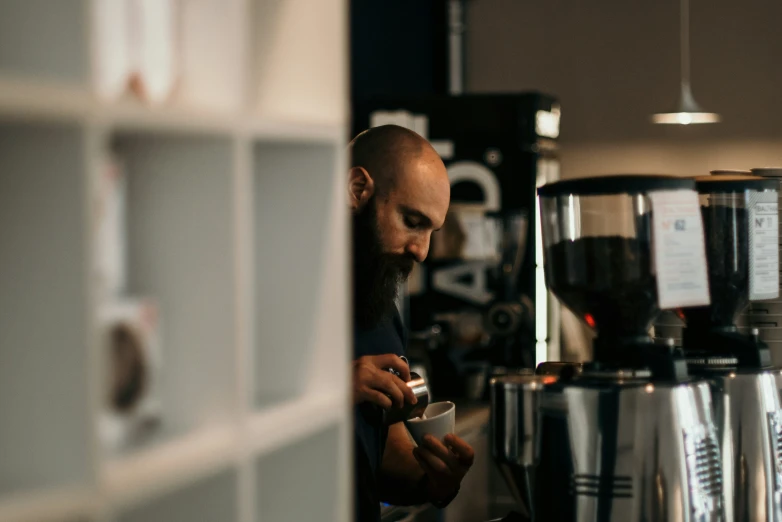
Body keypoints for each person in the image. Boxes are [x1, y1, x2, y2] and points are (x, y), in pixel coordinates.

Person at [349, 124, 475, 522]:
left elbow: (383, 446)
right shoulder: (271, 281)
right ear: (357, 189)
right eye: (412, 221)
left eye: (431, 231)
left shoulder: (379, 307)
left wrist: (432, 477)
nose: (421, 252)